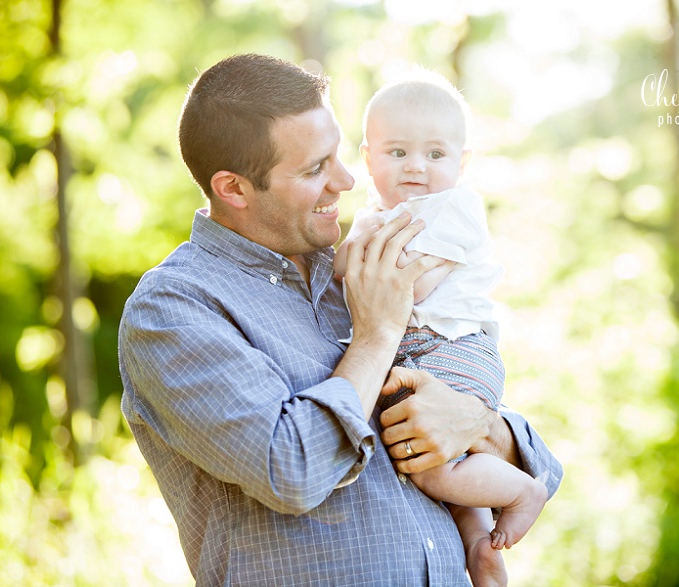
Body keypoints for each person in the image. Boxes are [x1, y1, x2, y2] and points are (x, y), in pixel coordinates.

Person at [118, 53, 563, 587]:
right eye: (315, 169)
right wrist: (376, 336)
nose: (348, 181)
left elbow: (540, 462)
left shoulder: (358, 264)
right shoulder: (174, 308)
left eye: (337, 156)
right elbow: (291, 470)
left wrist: (479, 424)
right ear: (233, 188)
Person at [333, 70, 548, 586]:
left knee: (425, 463)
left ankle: (525, 491)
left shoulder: (454, 208)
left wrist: (369, 270)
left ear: (461, 162)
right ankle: (478, 544)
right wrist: (353, 257)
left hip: (453, 347)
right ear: (368, 159)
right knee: (435, 460)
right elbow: (338, 268)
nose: (416, 168)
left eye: (435, 155)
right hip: (415, 355)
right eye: (398, 153)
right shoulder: (370, 216)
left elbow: (412, 288)